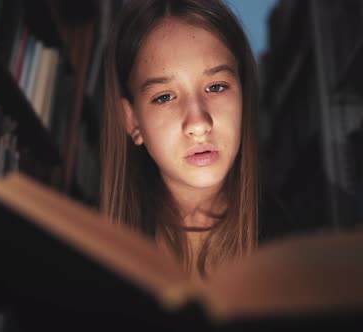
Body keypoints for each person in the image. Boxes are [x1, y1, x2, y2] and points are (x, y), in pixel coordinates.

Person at [100, 0, 263, 281]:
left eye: (216, 87)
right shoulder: (94, 262)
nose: (199, 123)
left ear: (243, 98)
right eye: (164, 97)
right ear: (132, 121)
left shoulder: (295, 253)